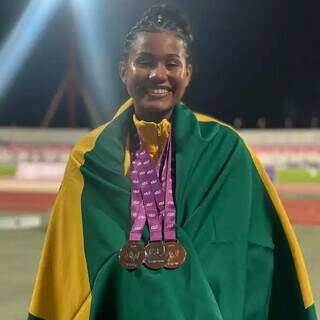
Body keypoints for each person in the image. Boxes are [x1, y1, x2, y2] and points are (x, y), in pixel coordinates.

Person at [28, 4, 318, 320]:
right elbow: (66, 271)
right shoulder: (90, 158)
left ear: (187, 73)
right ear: (123, 70)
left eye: (172, 63)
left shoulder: (226, 149)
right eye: (144, 61)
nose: (158, 74)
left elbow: (252, 255)